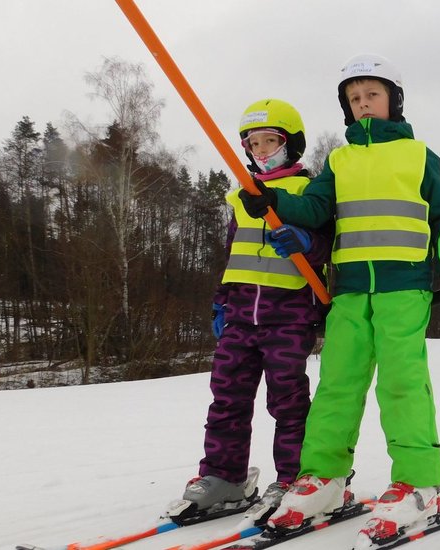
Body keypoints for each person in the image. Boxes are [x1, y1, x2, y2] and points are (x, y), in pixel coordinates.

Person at [238, 54, 440, 546]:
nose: (363, 106)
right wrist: (275, 200)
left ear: (394, 100)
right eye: (354, 99)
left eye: (372, 96)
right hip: (348, 290)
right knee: (336, 383)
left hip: (404, 287)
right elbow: (315, 208)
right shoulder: (338, 161)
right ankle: (323, 478)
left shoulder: (420, 156)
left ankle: (419, 482)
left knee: (402, 384)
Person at [177, 99, 332, 525]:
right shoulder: (243, 196)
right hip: (241, 316)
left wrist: (305, 241)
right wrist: (220, 298)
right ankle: (225, 476)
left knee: (288, 401)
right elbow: (234, 253)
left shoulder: (311, 192)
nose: (261, 151)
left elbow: (327, 248)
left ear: (292, 144)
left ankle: (294, 478)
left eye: (271, 141)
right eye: (253, 143)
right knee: (226, 398)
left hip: (289, 315)